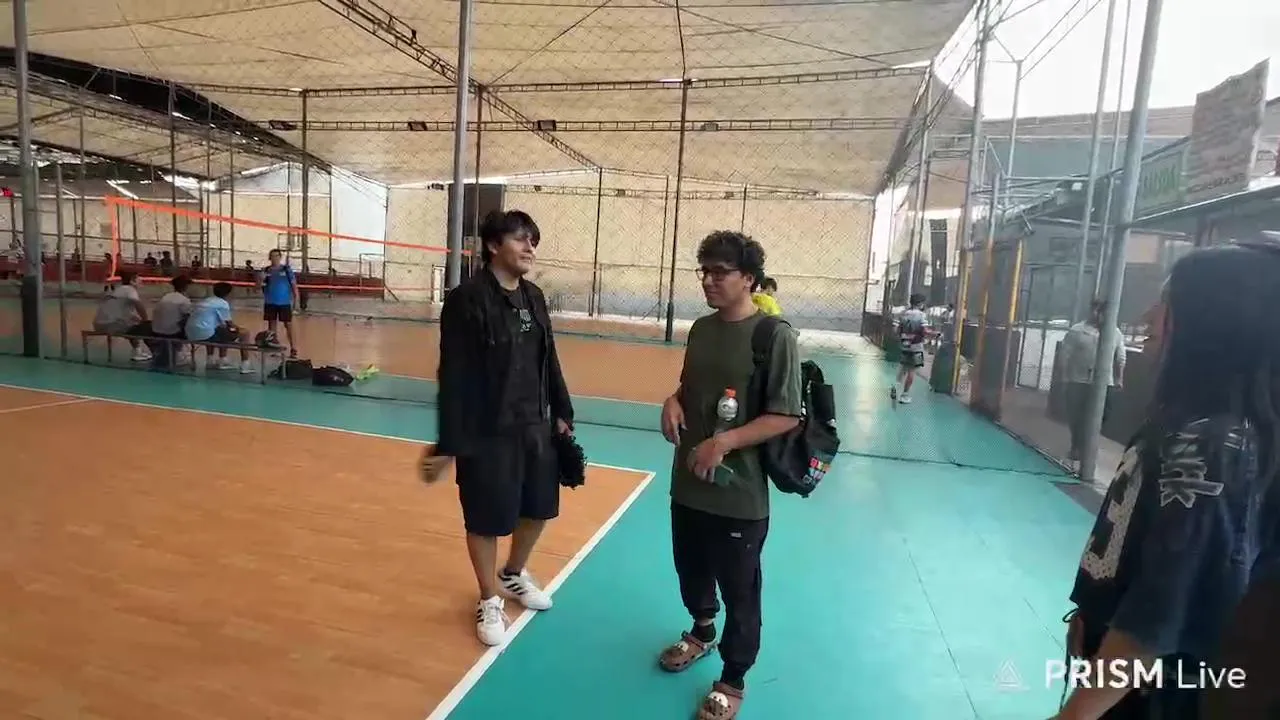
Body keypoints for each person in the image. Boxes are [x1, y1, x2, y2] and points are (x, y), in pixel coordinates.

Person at [1053, 241, 1280, 720]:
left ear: (1214, 324)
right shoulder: (1186, 422)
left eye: (1168, 304)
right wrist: (1094, 608)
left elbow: (1164, 606)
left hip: (1156, 690)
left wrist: (1079, 713)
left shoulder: (1215, 446)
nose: (1150, 318)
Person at [657, 231, 802, 720]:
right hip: (688, 483)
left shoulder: (774, 336)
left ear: (749, 279)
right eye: (705, 271)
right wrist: (672, 401)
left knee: (740, 590)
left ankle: (732, 677)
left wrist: (724, 442)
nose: (709, 281)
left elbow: (786, 415)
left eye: (721, 273)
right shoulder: (701, 330)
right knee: (691, 570)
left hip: (739, 494)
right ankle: (701, 631)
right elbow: (689, 386)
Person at [420, 210, 574, 647]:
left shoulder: (534, 296)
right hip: (486, 430)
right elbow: (453, 373)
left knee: (539, 508)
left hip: (534, 425)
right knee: (486, 518)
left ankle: (513, 573)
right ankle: (489, 598)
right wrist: (449, 443)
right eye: (521, 239)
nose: (530, 248)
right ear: (493, 245)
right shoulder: (467, 300)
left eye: (533, 241)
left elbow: (549, 356)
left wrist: (562, 410)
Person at [1060, 300, 1127, 471]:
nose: (1098, 315)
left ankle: (1088, 442)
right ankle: (1077, 445)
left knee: (1104, 413)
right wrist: (1065, 376)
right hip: (1079, 379)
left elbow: (1120, 356)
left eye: (1102, 312)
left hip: (1105, 381)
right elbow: (1065, 354)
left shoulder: (1115, 332)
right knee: (1077, 415)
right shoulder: (1077, 330)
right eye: (1096, 310)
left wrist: (1119, 378)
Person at [184, 281, 253, 374]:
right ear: (228, 293)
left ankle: (211, 360)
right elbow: (229, 324)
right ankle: (245, 364)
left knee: (218, 330)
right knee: (244, 333)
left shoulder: (206, 300)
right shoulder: (223, 303)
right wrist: (239, 329)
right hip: (205, 334)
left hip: (190, 332)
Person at [92, 270, 151, 363]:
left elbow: (124, 313)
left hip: (99, 324)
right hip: (113, 325)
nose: (141, 280)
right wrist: (145, 320)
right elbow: (138, 305)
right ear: (132, 281)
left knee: (133, 323)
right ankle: (140, 352)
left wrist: (138, 319)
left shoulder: (118, 290)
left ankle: (137, 351)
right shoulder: (129, 290)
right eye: (138, 278)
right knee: (143, 327)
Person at [890, 293, 929, 404]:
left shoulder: (903, 314)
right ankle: (905, 395)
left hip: (904, 345)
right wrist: (934, 334)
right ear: (920, 304)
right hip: (916, 346)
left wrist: (903, 337)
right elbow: (925, 331)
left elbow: (895, 329)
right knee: (912, 371)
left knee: (903, 367)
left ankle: (896, 386)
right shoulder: (921, 315)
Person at [261, 249, 300, 357]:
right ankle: (274, 347)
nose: (274, 258)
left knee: (288, 325)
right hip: (270, 302)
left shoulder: (286, 269)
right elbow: (258, 287)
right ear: (269, 258)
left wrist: (296, 300)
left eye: (276, 256)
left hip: (284, 303)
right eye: (272, 256)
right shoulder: (266, 271)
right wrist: (260, 280)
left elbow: (294, 285)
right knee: (272, 326)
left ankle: (293, 348)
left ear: (280, 257)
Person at [150, 274, 193, 367]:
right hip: (172, 332)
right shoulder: (184, 300)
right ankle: (180, 354)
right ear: (186, 287)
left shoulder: (165, 297)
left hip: (156, 330)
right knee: (189, 325)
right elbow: (188, 318)